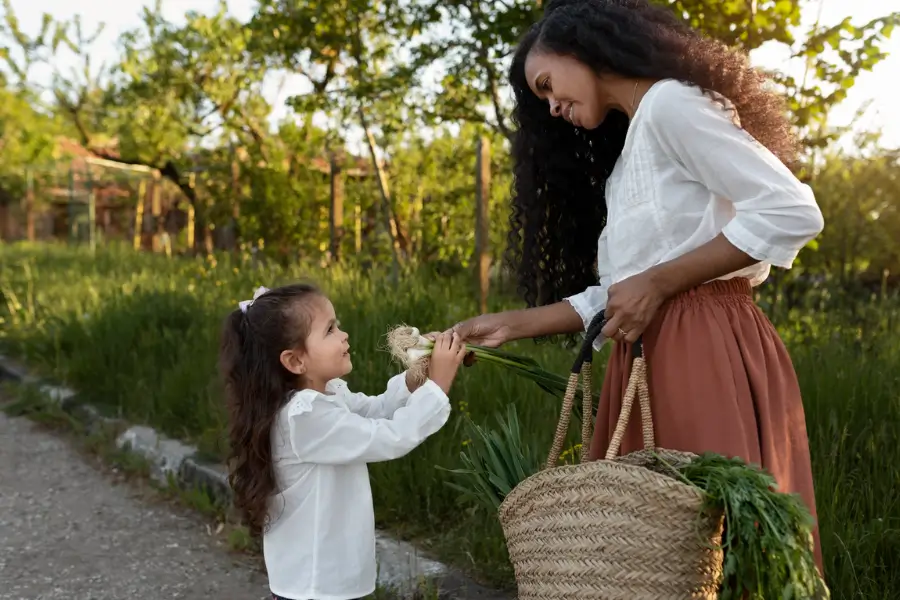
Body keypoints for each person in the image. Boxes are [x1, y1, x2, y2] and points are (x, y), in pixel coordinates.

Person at [447, 0, 825, 567]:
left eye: (547, 83)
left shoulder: (671, 105)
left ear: (580, 47)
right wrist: (515, 324)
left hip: (704, 350)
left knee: (707, 554)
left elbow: (791, 211)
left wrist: (658, 282)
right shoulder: (635, 145)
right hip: (651, 353)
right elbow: (627, 288)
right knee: (658, 560)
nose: (550, 106)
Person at [219, 283, 465, 600]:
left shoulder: (324, 395)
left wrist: (417, 377)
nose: (344, 335)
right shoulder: (304, 417)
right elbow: (390, 436)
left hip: (324, 572)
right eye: (330, 330)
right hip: (315, 580)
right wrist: (439, 385)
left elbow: (376, 411)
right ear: (295, 361)